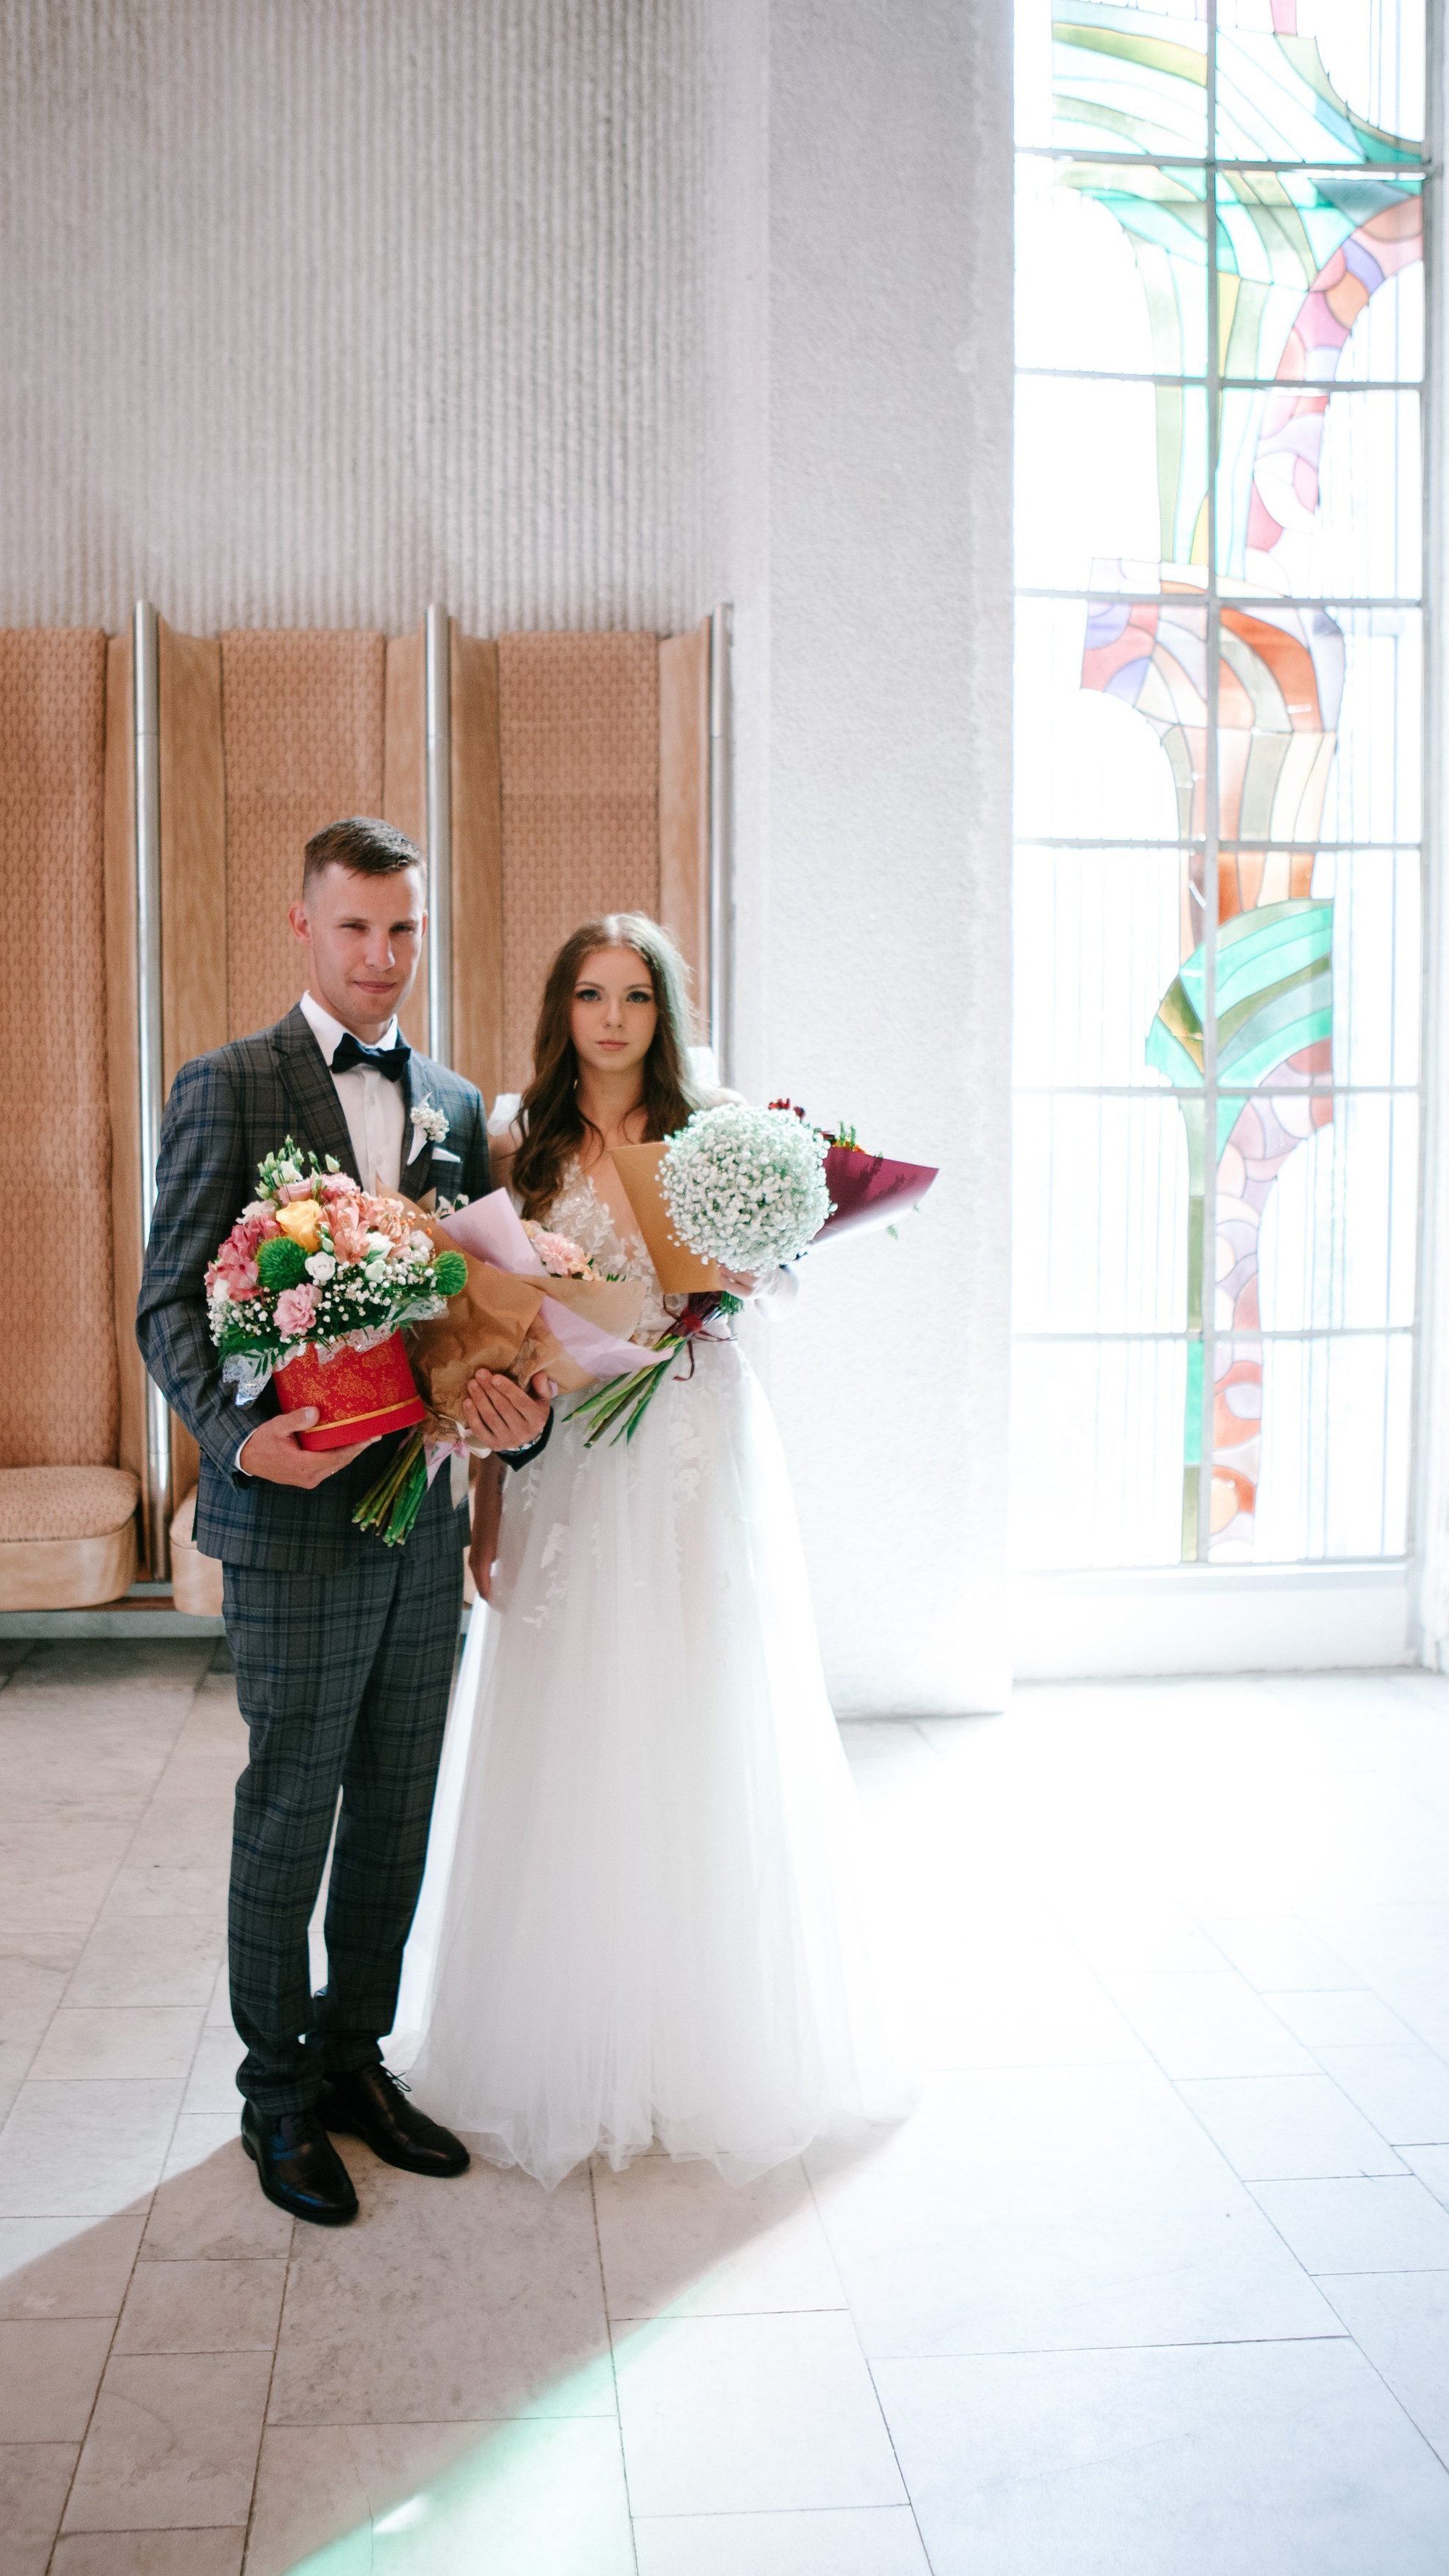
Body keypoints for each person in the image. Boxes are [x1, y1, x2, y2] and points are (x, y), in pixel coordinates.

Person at [394, 913, 908, 2185]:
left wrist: (725, 1282)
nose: (612, 1017)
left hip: (695, 1443)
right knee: (579, 1714)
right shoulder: (521, 1141)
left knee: (703, 1704)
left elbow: (781, 1275)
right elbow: (500, 1333)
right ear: (562, 1009)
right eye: (589, 992)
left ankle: (711, 2039)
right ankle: (572, 2035)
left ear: (664, 1010)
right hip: (574, 1449)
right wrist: (492, 1511)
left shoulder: (722, 1128)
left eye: (635, 994)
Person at [137, 816, 553, 2229]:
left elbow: (478, 1306)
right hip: (295, 1513)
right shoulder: (228, 1086)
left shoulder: (450, 1096)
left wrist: (515, 1393)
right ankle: (273, 2099)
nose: (382, 955)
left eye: (404, 930)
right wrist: (234, 1432)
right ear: (304, 926)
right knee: (292, 1804)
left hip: (420, 1517)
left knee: (393, 1807)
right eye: (356, 927)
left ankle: (354, 2059)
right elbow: (168, 1305)